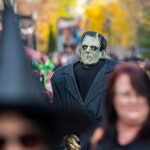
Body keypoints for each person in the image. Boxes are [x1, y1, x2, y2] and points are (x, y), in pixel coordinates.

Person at [51, 31, 119, 124]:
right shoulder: (61, 76)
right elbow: (57, 112)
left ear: (102, 53)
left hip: (105, 134)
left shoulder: (117, 73)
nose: (87, 50)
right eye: (85, 47)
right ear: (80, 50)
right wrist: (66, 134)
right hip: (70, 134)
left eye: (93, 48)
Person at [89, 63, 150, 150]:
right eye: (126, 94)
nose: (133, 100)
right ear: (112, 98)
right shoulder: (97, 138)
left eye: (140, 93)